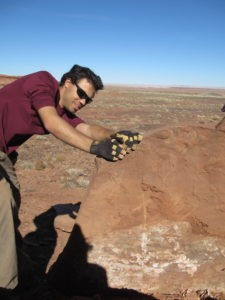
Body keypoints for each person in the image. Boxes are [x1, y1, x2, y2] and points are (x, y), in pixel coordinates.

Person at [0, 64, 142, 295]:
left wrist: (114, 136)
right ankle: (5, 288)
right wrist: (97, 149)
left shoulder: (61, 109)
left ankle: (23, 278)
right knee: (2, 208)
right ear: (67, 83)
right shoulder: (43, 81)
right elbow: (52, 124)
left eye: (89, 100)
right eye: (81, 94)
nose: (83, 102)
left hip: (5, 157)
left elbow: (85, 128)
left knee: (9, 216)